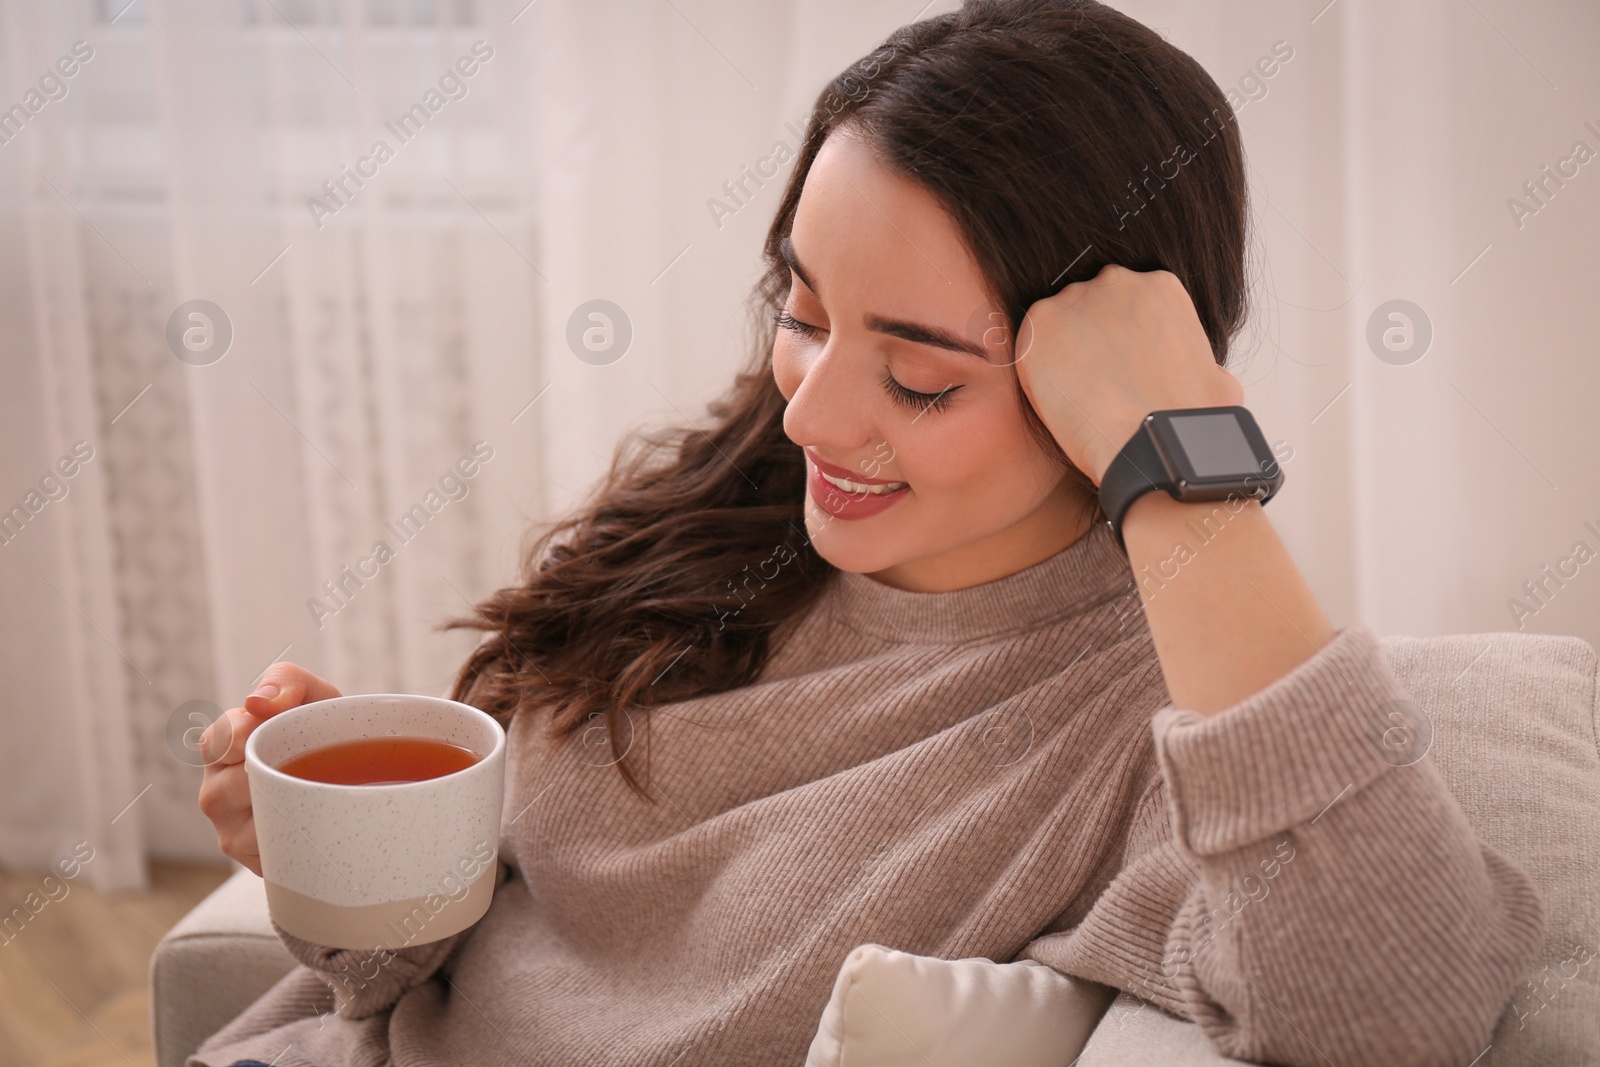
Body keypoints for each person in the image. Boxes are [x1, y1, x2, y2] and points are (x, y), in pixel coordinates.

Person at [193, 1, 1545, 1064]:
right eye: (803, 309)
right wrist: (334, 862)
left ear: (1108, 380)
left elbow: (1399, 1006)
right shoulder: (715, 512)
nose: (813, 414)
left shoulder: (1145, 724)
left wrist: (1184, 458)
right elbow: (438, 965)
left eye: (922, 375)